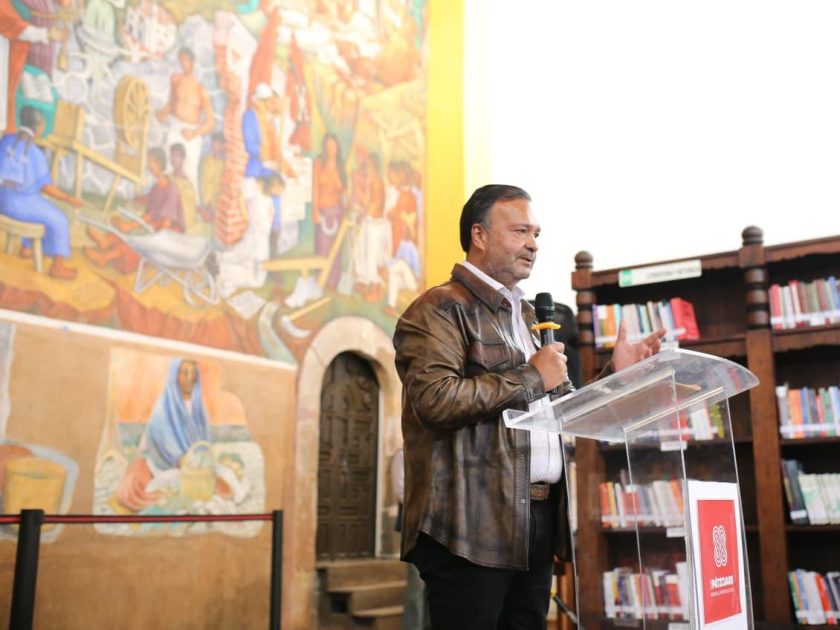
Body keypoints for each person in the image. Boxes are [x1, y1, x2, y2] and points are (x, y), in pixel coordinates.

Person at [393, 184, 664, 629]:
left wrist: (615, 375)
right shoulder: (439, 309)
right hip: (470, 525)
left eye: (536, 233)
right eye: (520, 231)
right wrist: (532, 376)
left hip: (536, 518)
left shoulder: (526, 316)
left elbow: (559, 409)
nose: (533, 244)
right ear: (479, 235)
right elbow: (434, 400)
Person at [115, 358, 211, 512]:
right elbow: (165, 442)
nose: (189, 378)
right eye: (184, 373)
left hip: (194, 464)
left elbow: (204, 438)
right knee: (174, 485)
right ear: (174, 375)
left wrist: (203, 460)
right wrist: (184, 462)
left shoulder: (199, 406)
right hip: (167, 463)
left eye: (193, 373)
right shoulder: (163, 406)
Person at [0, 105, 81, 279]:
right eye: (43, 124)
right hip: (19, 204)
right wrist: (68, 198)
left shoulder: (6, 140)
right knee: (59, 218)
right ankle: (57, 267)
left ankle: (26, 248)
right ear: (38, 127)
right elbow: (47, 187)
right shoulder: (36, 153)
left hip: (2, 199)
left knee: (39, 204)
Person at [155, 47, 215, 187]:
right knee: (169, 168)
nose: (182, 63)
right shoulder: (176, 80)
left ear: (192, 63)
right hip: (175, 128)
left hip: (191, 133)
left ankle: (190, 199)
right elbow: (171, 103)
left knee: (190, 171)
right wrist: (162, 113)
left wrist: (193, 133)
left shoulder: (200, 90)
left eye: (185, 60)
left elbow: (210, 122)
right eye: (180, 60)